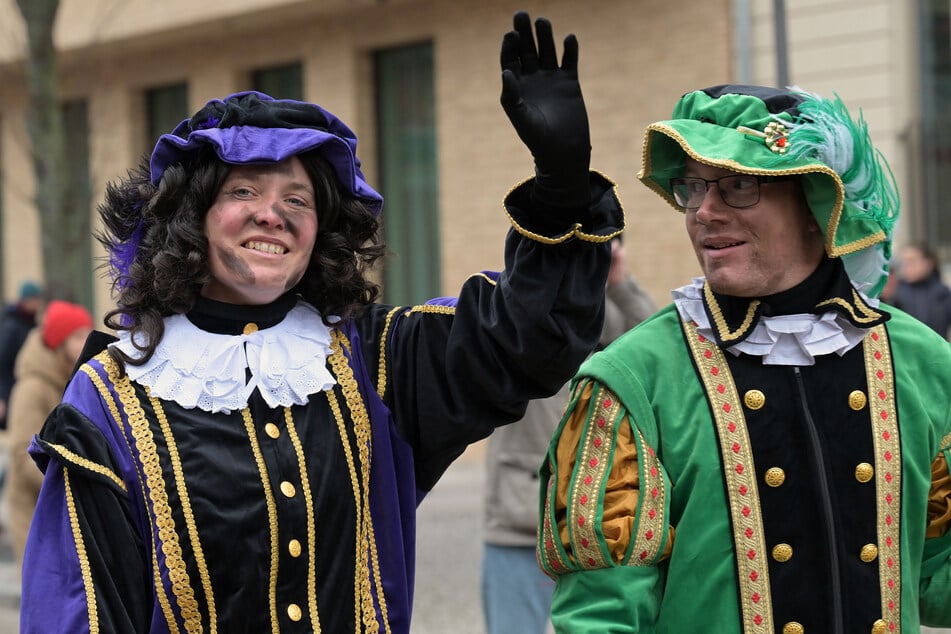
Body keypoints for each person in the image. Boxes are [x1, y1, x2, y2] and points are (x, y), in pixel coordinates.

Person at [20, 11, 623, 633]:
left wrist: (560, 192)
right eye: (244, 193)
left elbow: (528, 341)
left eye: (297, 200)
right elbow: (76, 610)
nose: (272, 215)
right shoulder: (110, 397)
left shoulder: (376, 359)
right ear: (191, 217)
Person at [538, 85, 951, 633]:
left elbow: (938, 579)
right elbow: (600, 613)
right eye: (693, 187)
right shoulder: (633, 379)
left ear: (815, 205)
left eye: (737, 186)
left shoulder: (923, 362)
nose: (705, 212)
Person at [481, 237, 655, 634]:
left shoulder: (608, 313)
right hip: (520, 520)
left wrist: (620, 281)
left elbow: (654, 353)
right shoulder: (519, 310)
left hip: (594, 527)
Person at [2, 300, 92, 569]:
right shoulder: (32, 387)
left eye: (88, 332)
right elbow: (22, 453)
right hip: (36, 515)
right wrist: (68, 487)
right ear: (59, 341)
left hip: (63, 514)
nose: (85, 341)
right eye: (78, 335)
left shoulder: (74, 378)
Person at [0, 281, 44, 428]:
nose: (37, 303)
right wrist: (2, 397)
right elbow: (3, 364)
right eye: (34, 299)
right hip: (11, 390)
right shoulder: (11, 327)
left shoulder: (31, 324)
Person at [889, 241, 951, 338]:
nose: (907, 266)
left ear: (929, 263)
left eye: (912, 261)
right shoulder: (894, 292)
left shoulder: (942, 293)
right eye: (904, 262)